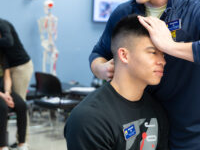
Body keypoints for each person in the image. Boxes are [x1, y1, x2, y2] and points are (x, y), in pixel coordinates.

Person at [89, 0, 200, 149]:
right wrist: (102, 69)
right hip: (139, 132)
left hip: (187, 137)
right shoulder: (123, 13)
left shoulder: (195, 10)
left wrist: (169, 46)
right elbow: (97, 54)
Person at [65, 15, 169, 149]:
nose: (163, 61)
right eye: (153, 52)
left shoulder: (156, 110)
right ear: (124, 55)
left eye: (163, 54)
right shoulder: (88, 119)